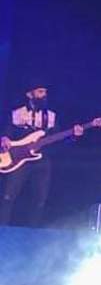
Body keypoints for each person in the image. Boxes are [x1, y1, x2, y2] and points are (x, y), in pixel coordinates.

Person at [0, 82, 83, 226]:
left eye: (45, 92)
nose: (44, 95)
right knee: (8, 197)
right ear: (29, 94)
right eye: (40, 92)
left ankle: (32, 232)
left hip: (41, 160)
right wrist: (4, 138)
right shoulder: (17, 113)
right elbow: (6, 131)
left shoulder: (51, 116)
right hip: (18, 159)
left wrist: (73, 136)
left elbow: (58, 140)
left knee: (39, 200)